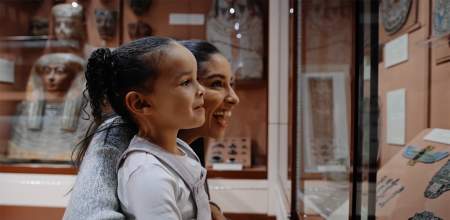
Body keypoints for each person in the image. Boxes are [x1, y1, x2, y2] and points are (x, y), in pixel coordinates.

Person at [63, 40, 239, 220]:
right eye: (187, 82)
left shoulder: (182, 149)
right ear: (140, 103)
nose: (234, 98)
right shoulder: (146, 172)